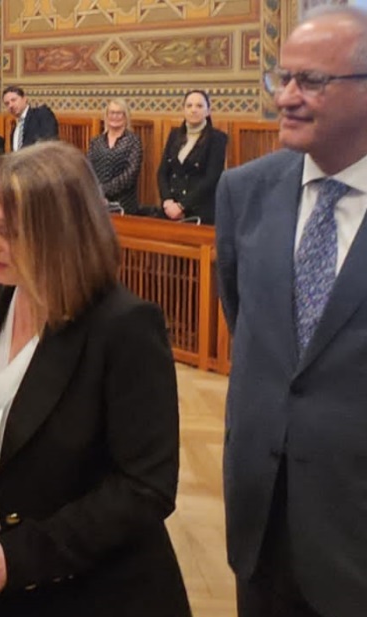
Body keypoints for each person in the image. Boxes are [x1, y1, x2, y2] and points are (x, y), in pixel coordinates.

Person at [0, 141, 191, 617]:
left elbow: (145, 487)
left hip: (94, 590)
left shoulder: (124, 326)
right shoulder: (0, 287)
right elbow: (20, 393)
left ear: (60, 233)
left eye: (7, 231)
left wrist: (27, 555)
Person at [216, 7, 367, 617]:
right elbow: (252, 330)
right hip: (260, 521)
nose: (286, 98)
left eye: (312, 81)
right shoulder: (244, 191)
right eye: (282, 79)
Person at [156, 89, 228, 224]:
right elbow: (162, 172)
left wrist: (182, 206)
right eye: (189, 106)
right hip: (170, 210)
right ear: (183, 110)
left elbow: (212, 178)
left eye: (199, 106)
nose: (193, 110)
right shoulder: (174, 135)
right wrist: (167, 201)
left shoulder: (217, 138)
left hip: (199, 212)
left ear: (208, 111)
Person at [87, 98, 143, 214]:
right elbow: (88, 168)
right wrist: (96, 192)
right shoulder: (96, 142)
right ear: (106, 116)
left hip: (123, 203)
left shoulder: (133, 141)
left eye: (119, 113)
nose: (115, 116)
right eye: (112, 112)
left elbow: (130, 174)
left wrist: (103, 190)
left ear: (125, 116)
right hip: (96, 200)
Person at [2, 86, 59, 151]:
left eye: (13, 100)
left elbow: (49, 141)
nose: (10, 105)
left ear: (24, 99)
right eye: (7, 104)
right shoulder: (14, 130)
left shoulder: (41, 114)